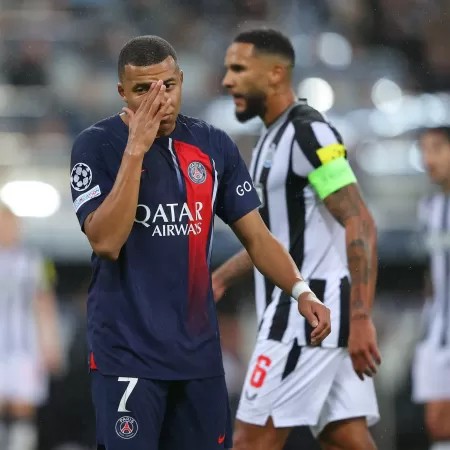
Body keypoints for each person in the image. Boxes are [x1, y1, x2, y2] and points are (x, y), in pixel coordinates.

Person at [69, 35, 331, 450]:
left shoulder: (213, 145)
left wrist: (302, 291)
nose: (159, 100)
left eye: (168, 86)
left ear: (182, 81)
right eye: (143, 90)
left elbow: (257, 236)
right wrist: (136, 150)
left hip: (198, 358)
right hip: (126, 354)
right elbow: (106, 242)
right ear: (122, 92)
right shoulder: (96, 145)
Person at [213, 28, 381, 450]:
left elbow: (359, 221)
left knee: (249, 442)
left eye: (239, 69)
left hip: (305, 318)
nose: (227, 80)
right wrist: (219, 278)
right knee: (346, 439)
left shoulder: (309, 134)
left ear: (275, 74)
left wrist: (361, 317)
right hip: (317, 317)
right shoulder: (270, 139)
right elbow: (275, 239)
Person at [0, 204, 61, 450]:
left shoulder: (35, 260)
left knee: (23, 406)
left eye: (9, 224)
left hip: (25, 348)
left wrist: (50, 345)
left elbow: (45, 303)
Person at [412, 126, 450, 450]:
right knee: (437, 423)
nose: (428, 159)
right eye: (423, 150)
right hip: (437, 330)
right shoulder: (428, 207)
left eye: (437, 148)